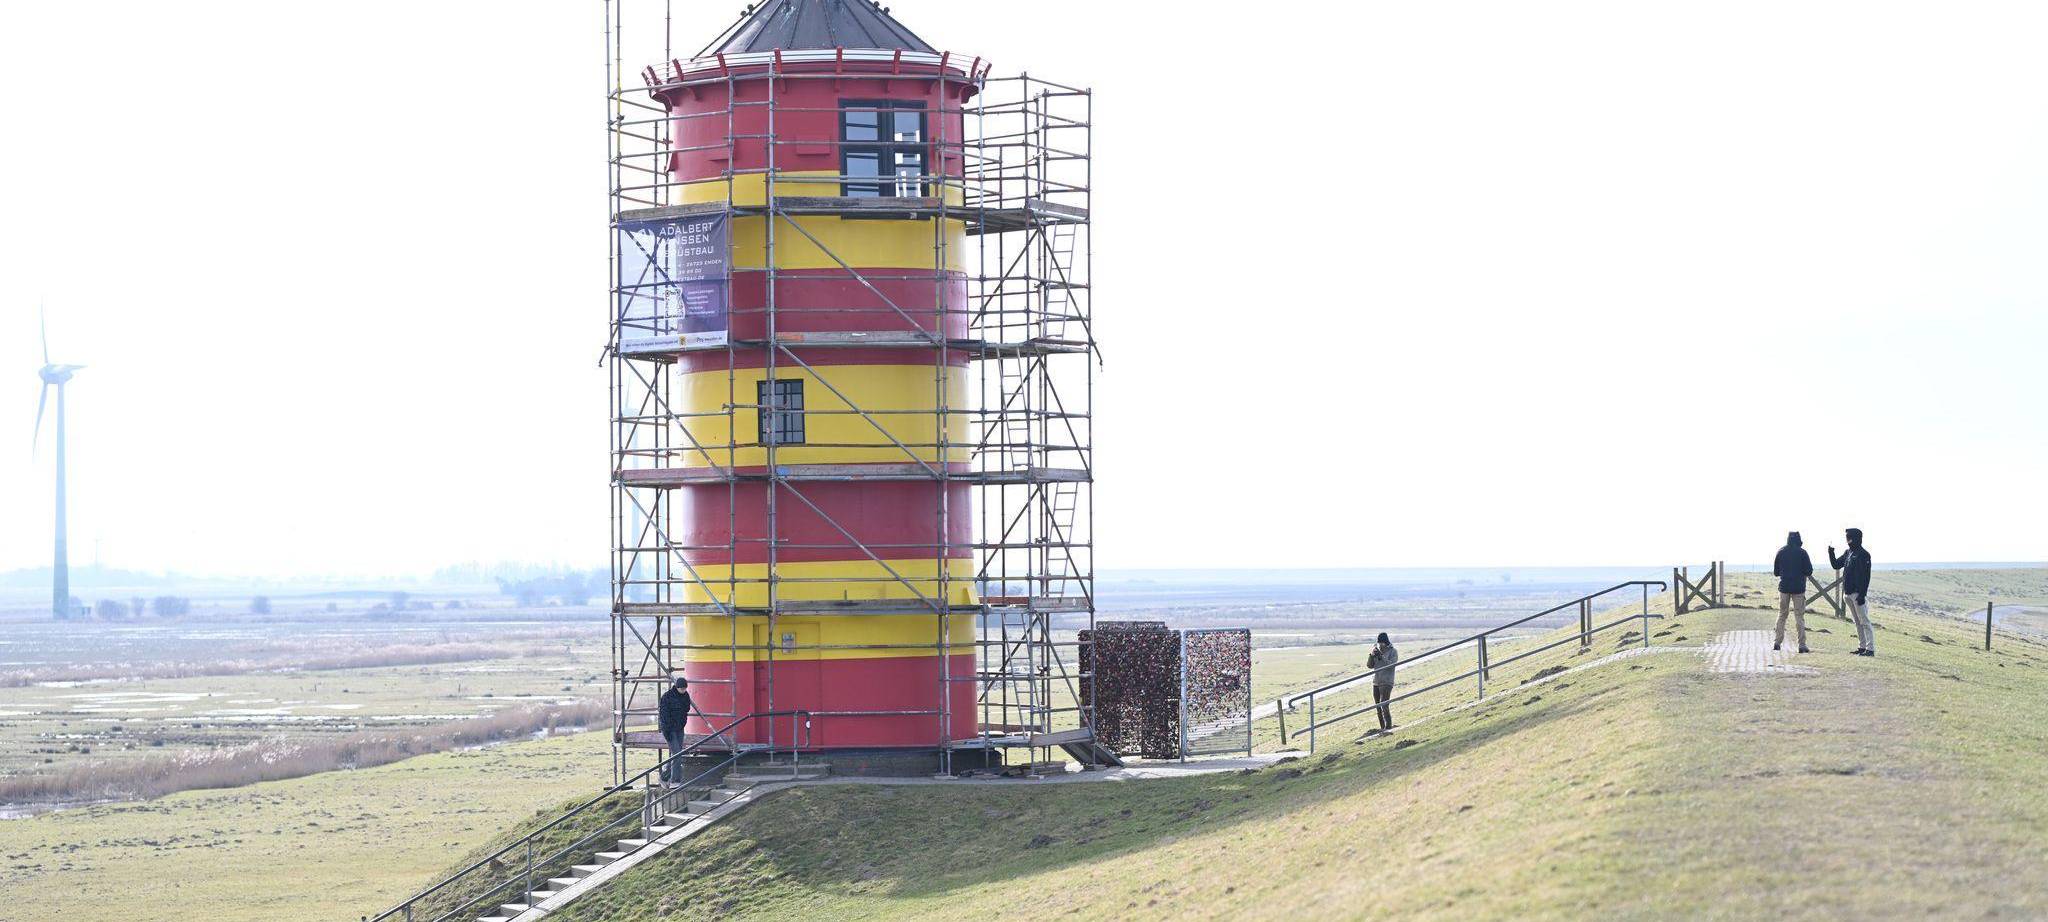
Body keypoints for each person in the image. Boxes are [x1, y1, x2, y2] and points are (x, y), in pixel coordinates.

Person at [1830, 528, 1875, 657]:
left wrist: (1862, 594)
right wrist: (1831, 553)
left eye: (1849, 537)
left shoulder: (1864, 555)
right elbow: (1836, 565)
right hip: (1848, 594)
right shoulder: (1848, 552)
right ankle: (1862, 647)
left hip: (1857, 594)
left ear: (1856, 538)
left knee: (1864, 621)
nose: (1848, 540)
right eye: (1847, 538)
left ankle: (1870, 649)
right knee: (1857, 621)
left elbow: (1866, 577)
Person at [1772, 531, 1814, 653]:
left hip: (1784, 588)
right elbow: (1809, 571)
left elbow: (1776, 572)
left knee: (1782, 615)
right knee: (1799, 617)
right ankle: (1801, 644)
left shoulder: (1781, 552)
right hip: (1798, 589)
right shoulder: (1803, 553)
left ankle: (1777, 642)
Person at [657, 676, 691, 784]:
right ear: (677, 687)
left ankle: (664, 777)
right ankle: (675, 781)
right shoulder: (667, 697)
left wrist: (682, 723)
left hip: (679, 728)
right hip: (669, 730)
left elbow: (686, 709)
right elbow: (663, 715)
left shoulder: (685, 696)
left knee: (676, 754)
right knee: (677, 754)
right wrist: (667, 731)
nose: (683, 691)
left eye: (685, 688)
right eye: (682, 689)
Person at [1367, 632, 1399, 733]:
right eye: (1379, 643)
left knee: (1384, 704)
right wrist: (1371, 655)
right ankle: (1382, 728)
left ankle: (1388, 727)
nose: (1380, 645)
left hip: (1387, 681)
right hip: (1376, 682)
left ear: (1386, 642)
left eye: (1382, 643)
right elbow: (1369, 665)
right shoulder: (1377, 652)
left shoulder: (1393, 651)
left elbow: (1391, 665)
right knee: (1378, 706)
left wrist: (1382, 656)